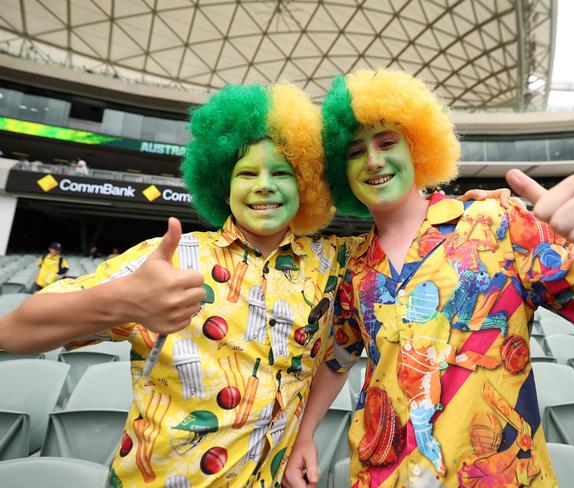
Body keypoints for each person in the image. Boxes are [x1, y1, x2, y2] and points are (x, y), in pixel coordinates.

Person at [0, 81, 511, 487]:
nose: (264, 185)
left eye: (283, 173)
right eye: (247, 172)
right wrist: (118, 301)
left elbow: (400, 246)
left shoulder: (336, 263)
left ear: (306, 184)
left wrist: (470, 208)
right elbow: (15, 333)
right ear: (223, 182)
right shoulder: (176, 258)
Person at [283, 70, 574, 488]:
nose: (373, 160)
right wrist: (306, 434)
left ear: (418, 147)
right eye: (354, 151)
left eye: (387, 142)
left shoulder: (497, 222)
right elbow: (339, 357)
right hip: (382, 475)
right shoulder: (353, 264)